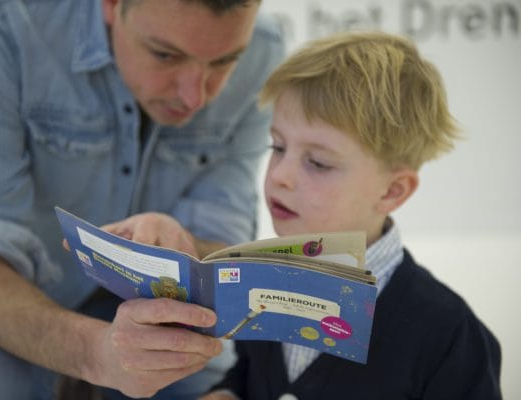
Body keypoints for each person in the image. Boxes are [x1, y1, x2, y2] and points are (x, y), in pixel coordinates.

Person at [0, 0, 284, 399]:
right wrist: (93, 354)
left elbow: (220, 250)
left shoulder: (263, 49)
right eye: (165, 54)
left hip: (164, 307)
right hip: (5, 295)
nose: (195, 97)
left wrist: (186, 245)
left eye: (224, 62)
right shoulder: (1, 18)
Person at [109, 31, 502, 399]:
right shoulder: (257, 284)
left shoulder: (451, 336)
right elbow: (251, 376)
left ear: (392, 190)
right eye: (278, 147)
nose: (280, 176)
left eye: (317, 162)